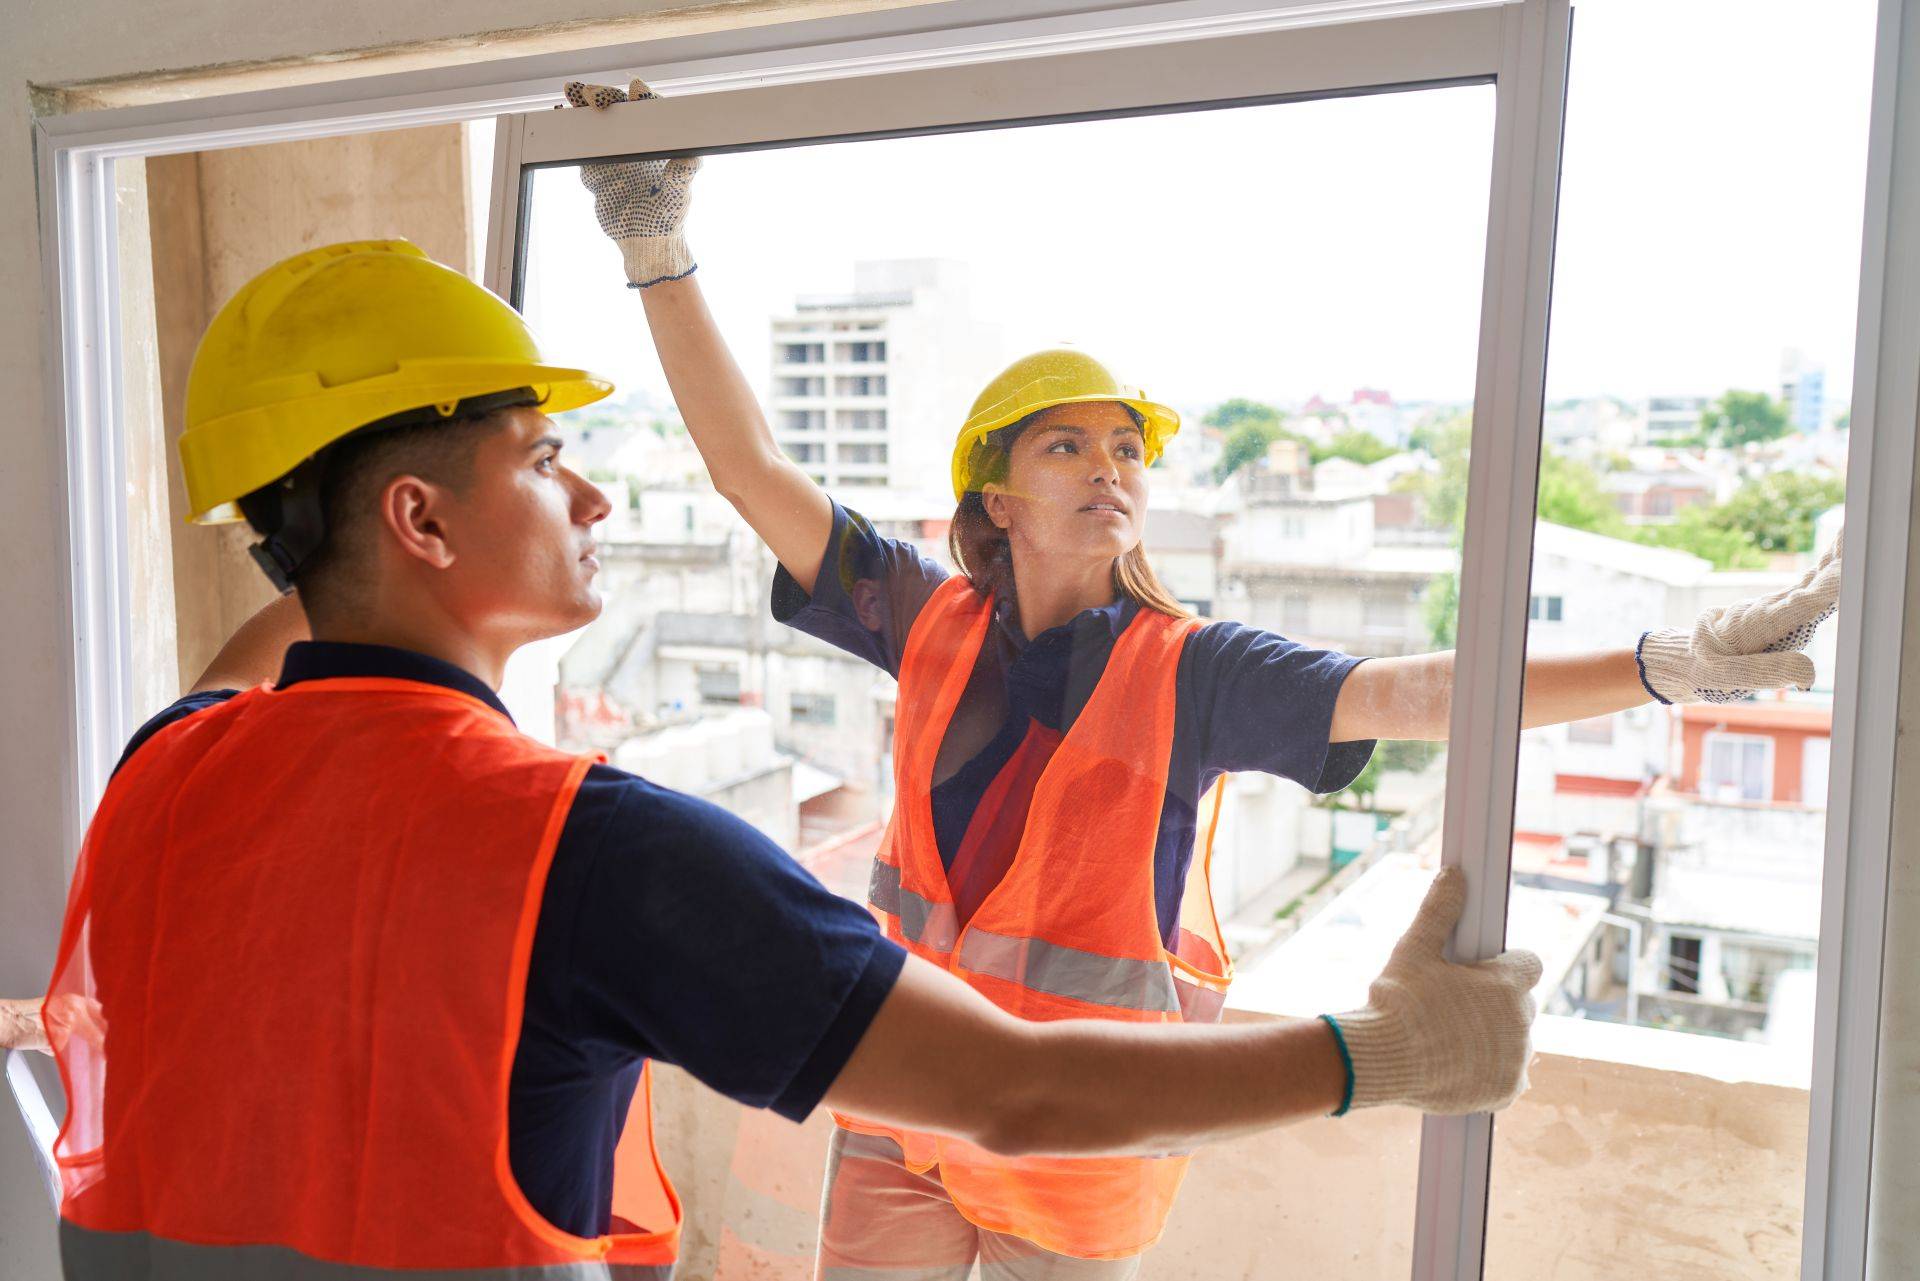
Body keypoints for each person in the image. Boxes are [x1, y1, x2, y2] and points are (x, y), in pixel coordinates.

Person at [10, 238, 1546, 1281]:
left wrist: (339, 525)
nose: (598, 500)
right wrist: (1388, 1056)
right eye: (547, 461)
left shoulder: (169, 763)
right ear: (417, 520)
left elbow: (280, 636)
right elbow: (1011, 1086)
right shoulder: (586, 849)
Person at [567, 77, 1847, 1279]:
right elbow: (750, 474)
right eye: (1068, 445)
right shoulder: (927, 619)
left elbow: (1412, 693)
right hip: (907, 1102)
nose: (1109, 465)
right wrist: (652, 245)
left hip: (1078, 1146)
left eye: (1126, 446)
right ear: (998, 496)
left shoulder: (1192, 671)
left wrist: (1662, 664)